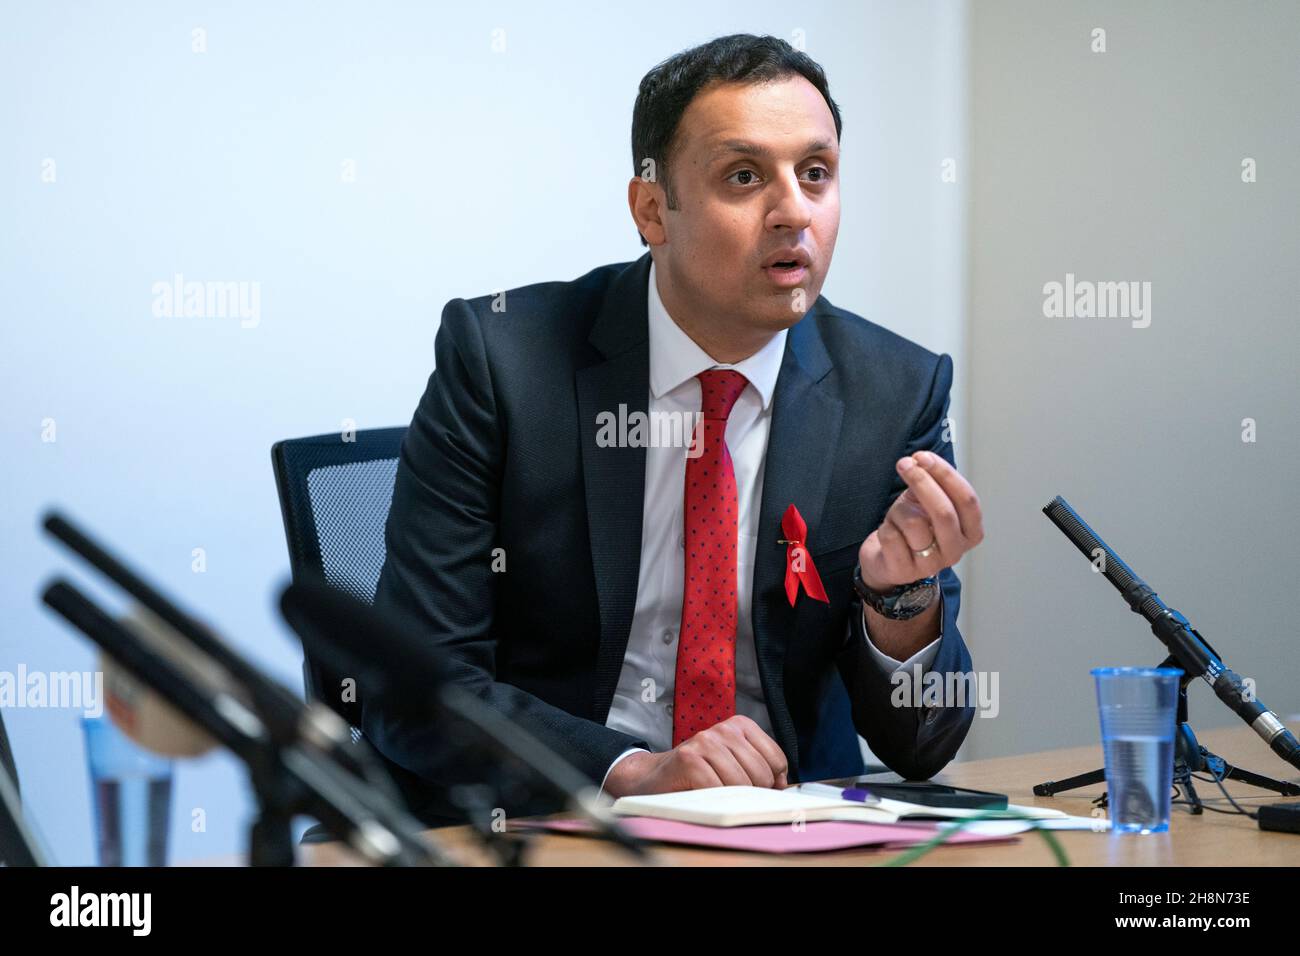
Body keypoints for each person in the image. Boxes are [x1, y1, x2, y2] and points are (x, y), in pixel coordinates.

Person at [363, 33, 985, 826]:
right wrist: (628, 770)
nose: (794, 210)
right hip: (556, 824)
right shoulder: (504, 361)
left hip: (787, 830)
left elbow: (925, 744)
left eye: (816, 173)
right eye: (745, 176)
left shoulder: (893, 391)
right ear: (653, 210)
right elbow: (415, 684)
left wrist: (902, 603)